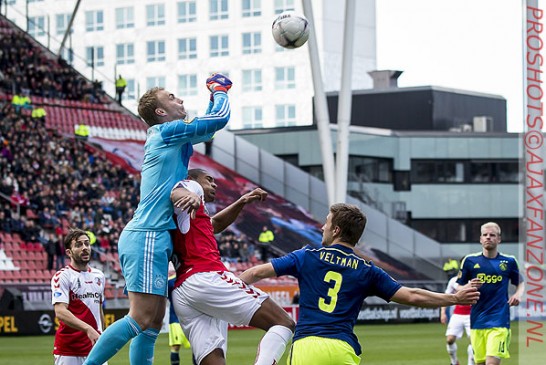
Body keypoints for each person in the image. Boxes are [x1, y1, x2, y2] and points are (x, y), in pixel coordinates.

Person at [83, 74, 232, 365]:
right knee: (141, 317)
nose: (180, 100)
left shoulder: (170, 137)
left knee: (153, 322)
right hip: (149, 234)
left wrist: (214, 99)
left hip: (153, 235)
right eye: (173, 97)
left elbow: (209, 130)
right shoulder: (165, 132)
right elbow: (218, 119)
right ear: (161, 112)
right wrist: (220, 90)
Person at [239, 203, 481, 365]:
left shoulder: (306, 256)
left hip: (307, 347)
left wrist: (225, 292)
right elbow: (412, 296)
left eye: (326, 222)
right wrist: (454, 299)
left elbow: (257, 272)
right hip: (342, 348)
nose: (322, 227)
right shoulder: (367, 270)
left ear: (335, 229)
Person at [170, 168, 295, 365]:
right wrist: (190, 195)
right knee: (284, 323)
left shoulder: (190, 219)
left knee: (214, 360)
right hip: (206, 277)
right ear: (192, 180)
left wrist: (243, 200)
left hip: (184, 291)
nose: (215, 184)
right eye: (209, 180)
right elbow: (177, 191)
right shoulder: (191, 189)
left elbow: (216, 224)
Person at [457, 222, 524, 365]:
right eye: (485, 235)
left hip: (499, 320)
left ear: (499, 239)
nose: (488, 237)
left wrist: (518, 294)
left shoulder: (509, 261)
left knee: (491, 363)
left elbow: (520, 282)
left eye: (492, 235)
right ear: (480, 239)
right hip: (477, 320)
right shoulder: (469, 261)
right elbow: (458, 288)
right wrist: (470, 285)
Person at [51, 228, 106, 365]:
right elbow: (60, 312)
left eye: (87, 244)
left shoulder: (99, 276)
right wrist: (88, 329)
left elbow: (99, 311)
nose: (85, 248)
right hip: (69, 350)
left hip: (95, 347)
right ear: (69, 252)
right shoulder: (62, 276)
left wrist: (103, 335)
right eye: (79, 245)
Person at [440, 274, 474, 365]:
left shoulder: (475, 280)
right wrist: (443, 312)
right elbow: (445, 297)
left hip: (472, 315)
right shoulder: (454, 280)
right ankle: (454, 362)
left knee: (473, 341)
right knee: (449, 340)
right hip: (457, 314)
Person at [167, 273, 191, 365]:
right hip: (175, 319)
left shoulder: (190, 279)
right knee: (175, 346)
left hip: (191, 318)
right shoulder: (170, 282)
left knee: (197, 346)